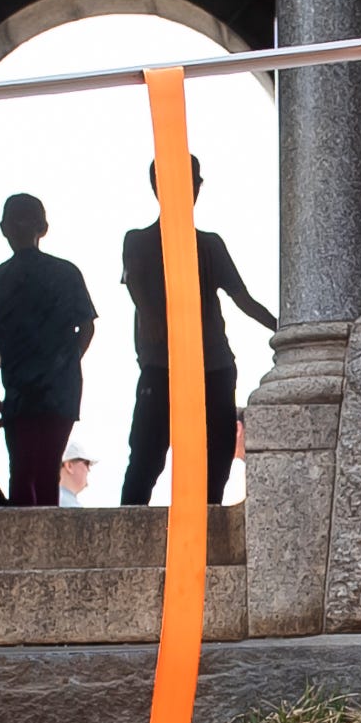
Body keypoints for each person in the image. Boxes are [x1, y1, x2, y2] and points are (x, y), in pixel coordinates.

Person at [119, 159, 275, 506]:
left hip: (212, 364)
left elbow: (242, 298)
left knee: (216, 454)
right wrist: (151, 317)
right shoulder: (138, 241)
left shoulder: (209, 245)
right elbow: (135, 283)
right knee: (146, 455)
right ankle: (128, 522)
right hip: (163, 365)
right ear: (156, 186)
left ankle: (207, 518)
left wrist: (282, 330)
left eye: (191, 182)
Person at [0, 192, 96, 505]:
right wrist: (67, 362)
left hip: (20, 393)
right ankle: (46, 531)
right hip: (61, 391)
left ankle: (25, 532)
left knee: (21, 471)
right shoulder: (66, 273)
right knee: (47, 468)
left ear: (3, 229)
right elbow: (87, 327)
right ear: (42, 227)